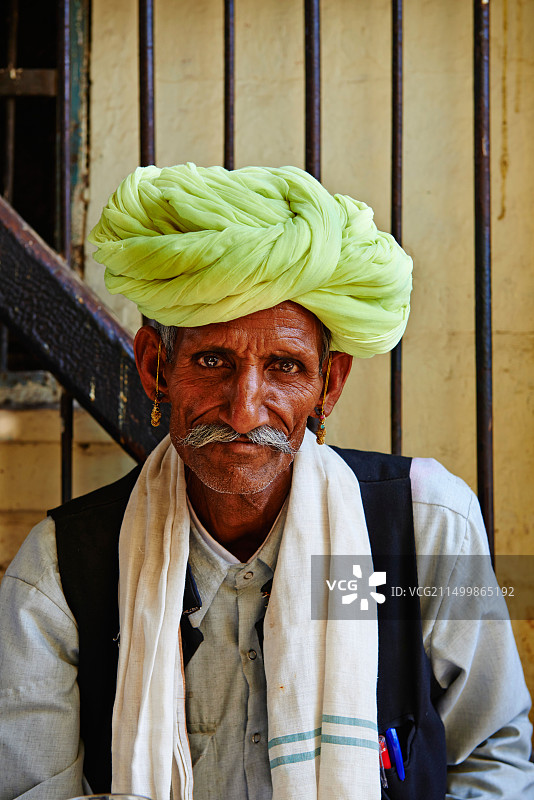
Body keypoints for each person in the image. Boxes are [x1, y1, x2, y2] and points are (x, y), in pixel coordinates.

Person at [0, 164, 533, 800]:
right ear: (154, 369)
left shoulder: (424, 526)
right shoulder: (62, 569)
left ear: (328, 386)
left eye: (283, 367)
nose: (245, 409)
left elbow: (494, 753)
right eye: (211, 361)